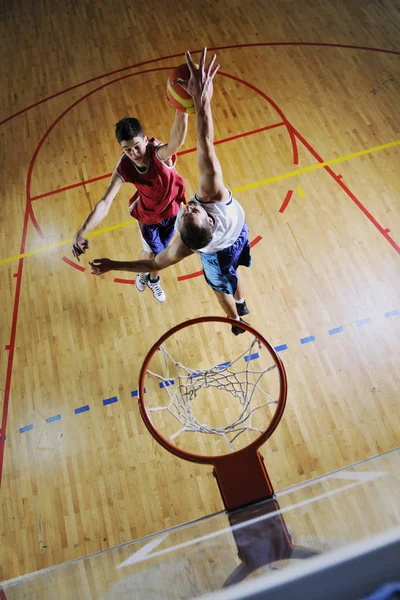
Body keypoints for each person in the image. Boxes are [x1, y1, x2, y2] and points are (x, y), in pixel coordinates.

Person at [90, 48, 251, 335]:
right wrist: (201, 103)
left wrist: (114, 264)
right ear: (208, 220)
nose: (189, 206)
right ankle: (242, 302)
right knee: (234, 270)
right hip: (239, 233)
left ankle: (236, 322)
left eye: (186, 211)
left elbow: (154, 262)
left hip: (221, 249)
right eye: (192, 209)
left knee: (219, 286)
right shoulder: (214, 195)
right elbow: (205, 141)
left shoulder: (189, 244)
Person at [72, 110, 188, 303]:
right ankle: (153, 279)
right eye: (127, 149)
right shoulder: (125, 166)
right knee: (158, 255)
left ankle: (143, 272)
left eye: (137, 146)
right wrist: (82, 232)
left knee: (155, 252)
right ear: (122, 148)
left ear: (145, 139)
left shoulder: (159, 153)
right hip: (148, 217)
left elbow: (176, 142)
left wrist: (181, 108)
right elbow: (105, 202)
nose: (134, 153)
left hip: (172, 210)